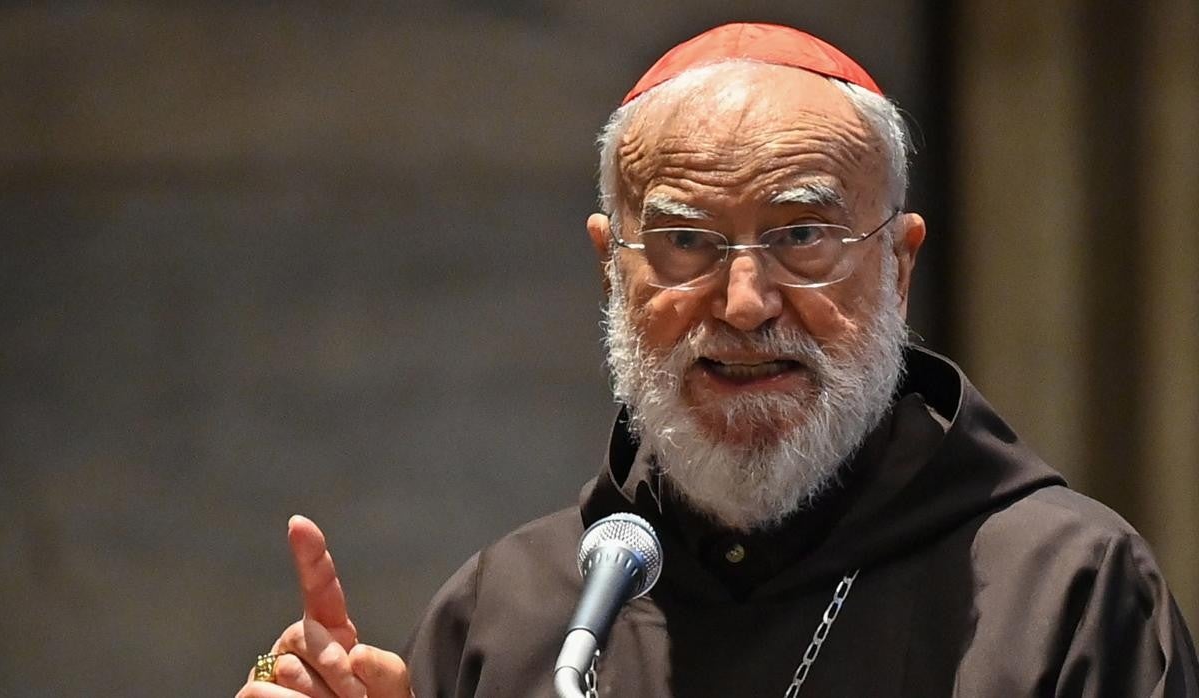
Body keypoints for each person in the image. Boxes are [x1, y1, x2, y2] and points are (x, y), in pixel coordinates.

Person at [236, 22, 1199, 698]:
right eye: (687, 242)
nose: (745, 304)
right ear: (611, 268)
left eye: (803, 235)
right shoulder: (510, 615)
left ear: (899, 264)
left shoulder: (1060, 591)